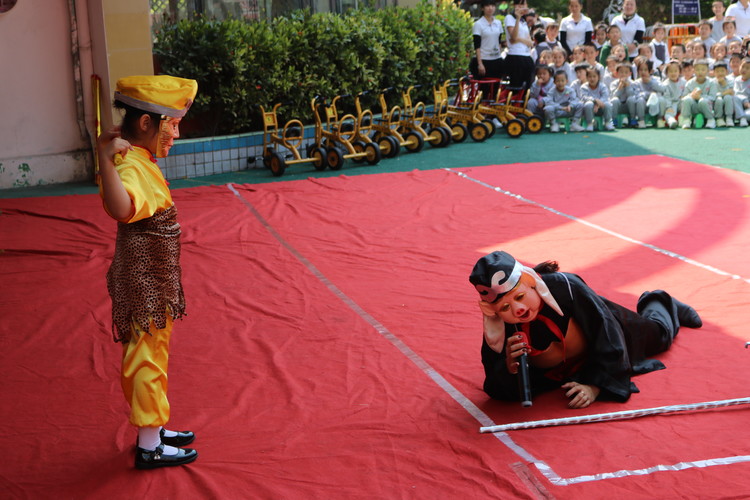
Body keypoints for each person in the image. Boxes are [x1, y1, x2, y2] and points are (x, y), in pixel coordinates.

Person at [97, 75, 199, 470]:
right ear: (146, 123)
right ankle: (149, 445)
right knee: (146, 360)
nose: (177, 134)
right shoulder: (132, 166)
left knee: (151, 355)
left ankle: (153, 430)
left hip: (151, 281)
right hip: (146, 285)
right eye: (172, 125)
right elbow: (122, 208)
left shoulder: (139, 159)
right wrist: (105, 160)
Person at [469, 251, 702, 406]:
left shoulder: (567, 287)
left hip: (609, 333)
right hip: (564, 370)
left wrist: (595, 386)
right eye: (505, 307)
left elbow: (608, 330)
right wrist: (509, 367)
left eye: (520, 297)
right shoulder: (500, 327)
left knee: (659, 335)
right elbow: (495, 386)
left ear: (531, 283)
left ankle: (658, 301)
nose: (517, 309)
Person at [504, 0, 536, 89]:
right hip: (515, 56)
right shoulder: (510, 18)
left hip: (527, 56)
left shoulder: (524, 21)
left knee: (528, 87)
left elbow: (530, 42)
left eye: (523, 4)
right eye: (518, 4)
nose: (521, 6)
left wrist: (520, 39)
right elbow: (513, 37)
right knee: (516, 87)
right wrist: (517, 18)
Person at [471, 0, 505, 80]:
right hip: (484, 60)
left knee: (496, 85)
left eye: (492, 6)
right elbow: (477, 45)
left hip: (496, 59)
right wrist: (480, 64)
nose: (490, 8)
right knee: (484, 86)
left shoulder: (498, 23)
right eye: (487, 6)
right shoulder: (478, 24)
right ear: (482, 8)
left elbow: (499, 41)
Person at [680, 59, 718, 128]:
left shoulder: (711, 82)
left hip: (706, 107)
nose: (700, 72)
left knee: (703, 101)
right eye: (697, 70)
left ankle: (710, 119)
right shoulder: (689, 83)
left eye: (703, 70)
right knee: (687, 100)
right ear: (693, 71)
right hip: (694, 106)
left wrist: (700, 97)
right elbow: (684, 97)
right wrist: (691, 95)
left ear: (707, 71)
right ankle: (686, 120)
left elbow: (713, 97)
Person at [580, 66, 615, 130]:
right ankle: (589, 124)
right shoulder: (584, 87)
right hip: (589, 109)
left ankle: (607, 122)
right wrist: (595, 100)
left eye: (594, 76)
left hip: (600, 108)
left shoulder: (602, 86)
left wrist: (598, 105)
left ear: (598, 77)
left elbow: (605, 97)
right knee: (588, 104)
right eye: (590, 77)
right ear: (587, 77)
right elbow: (584, 97)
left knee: (608, 104)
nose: (592, 79)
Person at [660, 59, 687, 129]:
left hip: (681, 102)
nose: (673, 73)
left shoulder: (683, 82)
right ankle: (671, 121)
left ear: (679, 72)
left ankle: (684, 120)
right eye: (671, 71)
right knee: (668, 113)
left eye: (675, 71)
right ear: (667, 73)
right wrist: (669, 107)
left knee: (686, 106)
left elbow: (685, 92)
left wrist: (683, 98)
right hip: (672, 103)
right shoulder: (666, 84)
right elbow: (666, 97)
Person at [610, 61, 637, 126]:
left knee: (631, 99)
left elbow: (632, 95)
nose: (623, 74)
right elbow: (613, 95)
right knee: (615, 100)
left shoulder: (633, 83)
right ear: (617, 73)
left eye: (626, 72)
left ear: (630, 74)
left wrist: (628, 86)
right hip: (618, 106)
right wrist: (620, 87)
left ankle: (633, 119)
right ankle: (614, 119)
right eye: (621, 72)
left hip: (629, 106)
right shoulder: (614, 83)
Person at [713, 61, 735, 126]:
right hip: (716, 103)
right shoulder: (712, 82)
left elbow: (731, 92)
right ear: (714, 72)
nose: (720, 73)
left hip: (728, 101)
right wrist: (722, 94)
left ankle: (729, 118)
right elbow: (713, 95)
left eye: (722, 71)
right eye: (717, 71)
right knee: (719, 99)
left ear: (726, 71)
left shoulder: (730, 80)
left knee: (728, 97)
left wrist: (724, 84)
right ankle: (719, 118)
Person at [732, 56, 750, 126]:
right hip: (739, 105)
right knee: (735, 97)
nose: (744, 70)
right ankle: (742, 118)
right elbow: (736, 93)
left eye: (747, 68)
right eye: (742, 67)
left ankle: (741, 116)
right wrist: (745, 101)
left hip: (748, 107)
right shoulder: (737, 80)